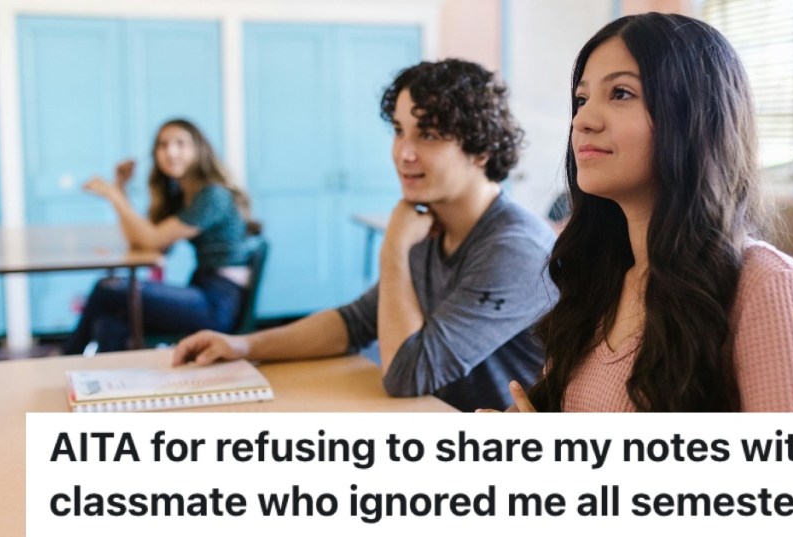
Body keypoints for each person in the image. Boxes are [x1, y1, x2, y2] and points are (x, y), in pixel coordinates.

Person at [486, 13, 793, 412]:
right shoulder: (599, 275)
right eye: (582, 99)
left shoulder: (767, 285)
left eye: (620, 93)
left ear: (693, 116)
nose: (583, 120)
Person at [173, 59, 558, 412]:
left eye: (428, 134)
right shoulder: (431, 224)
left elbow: (407, 375)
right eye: (398, 131)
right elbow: (354, 322)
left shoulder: (515, 248)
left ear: (481, 150)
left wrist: (393, 250)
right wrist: (243, 345)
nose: (403, 153)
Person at [62, 119, 259, 355]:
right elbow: (142, 241)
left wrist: (114, 195)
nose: (170, 152)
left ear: (199, 149)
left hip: (218, 303)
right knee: (110, 324)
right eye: (162, 145)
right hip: (202, 290)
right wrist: (120, 188)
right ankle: (106, 386)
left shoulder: (212, 196)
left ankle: (66, 359)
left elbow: (152, 240)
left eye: (180, 144)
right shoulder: (182, 194)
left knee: (107, 289)